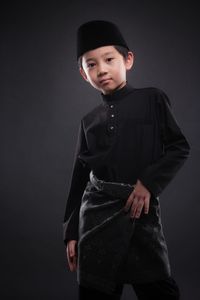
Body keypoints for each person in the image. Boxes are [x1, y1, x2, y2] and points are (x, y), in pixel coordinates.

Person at [63, 20, 190, 300]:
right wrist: (70, 232)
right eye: (91, 64)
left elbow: (179, 147)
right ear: (84, 74)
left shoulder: (153, 99)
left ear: (128, 59)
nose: (102, 69)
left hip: (138, 214)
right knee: (95, 293)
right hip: (95, 222)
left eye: (109, 59)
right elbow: (79, 179)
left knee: (160, 291)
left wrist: (148, 184)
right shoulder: (89, 122)